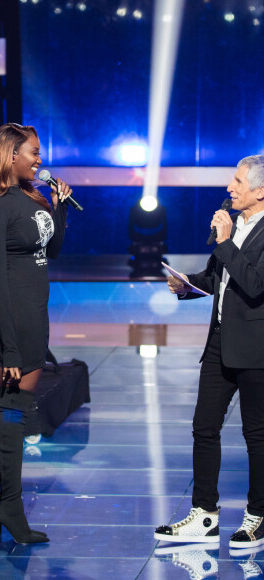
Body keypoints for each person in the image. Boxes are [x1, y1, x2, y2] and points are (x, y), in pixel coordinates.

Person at [0, 123, 72, 544]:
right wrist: (9, 348)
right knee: (15, 405)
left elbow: (53, 250)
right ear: (11, 155)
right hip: (11, 312)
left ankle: (8, 504)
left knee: (9, 405)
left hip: (34, 308)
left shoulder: (32, 196)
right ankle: (10, 503)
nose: (40, 159)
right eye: (34, 151)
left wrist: (60, 207)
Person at [154, 154, 264, 549]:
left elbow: (254, 284)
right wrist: (188, 284)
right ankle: (204, 515)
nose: (229, 187)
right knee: (204, 427)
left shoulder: (246, 231)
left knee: (257, 435)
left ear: (260, 190)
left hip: (256, 348)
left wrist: (226, 239)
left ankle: (257, 517)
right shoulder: (231, 225)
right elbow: (221, 278)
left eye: (237, 181)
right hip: (219, 343)